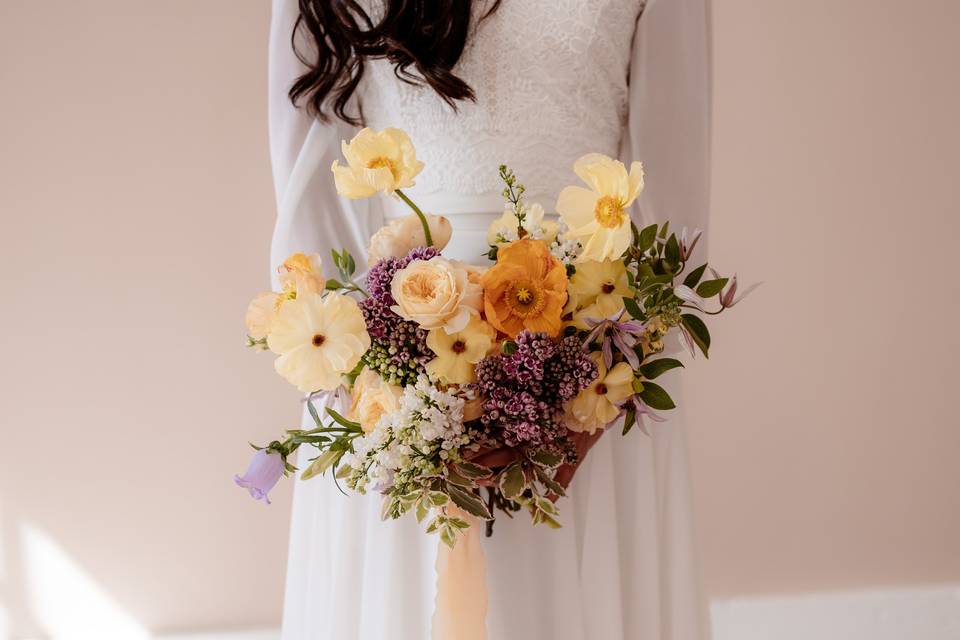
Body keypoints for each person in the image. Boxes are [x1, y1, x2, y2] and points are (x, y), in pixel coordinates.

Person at [268, 1, 711, 638]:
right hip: (385, 363)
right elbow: (305, 183)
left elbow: (674, 196)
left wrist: (601, 379)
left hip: (591, 360)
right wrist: (364, 374)